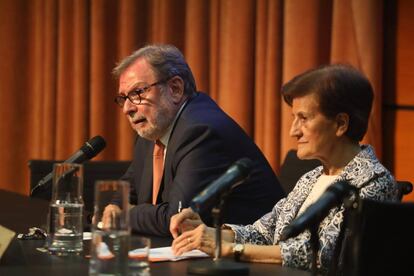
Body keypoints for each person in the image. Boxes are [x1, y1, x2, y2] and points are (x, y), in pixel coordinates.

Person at [170, 64, 399, 272]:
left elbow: (326, 255)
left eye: (304, 118)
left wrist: (230, 249)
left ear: (340, 124)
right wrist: (209, 233)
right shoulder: (311, 178)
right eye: (294, 118)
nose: (293, 130)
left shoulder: (374, 182)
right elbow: (263, 232)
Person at [104, 44, 285, 236]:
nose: (127, 109)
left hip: (248, 254)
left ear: (175, 88)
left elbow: (178, 219)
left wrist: (125, 215)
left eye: (138, 93)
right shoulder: (153, 129)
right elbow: (127, 189)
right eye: (124, 98)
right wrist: (114, 207)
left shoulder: (200, 131)